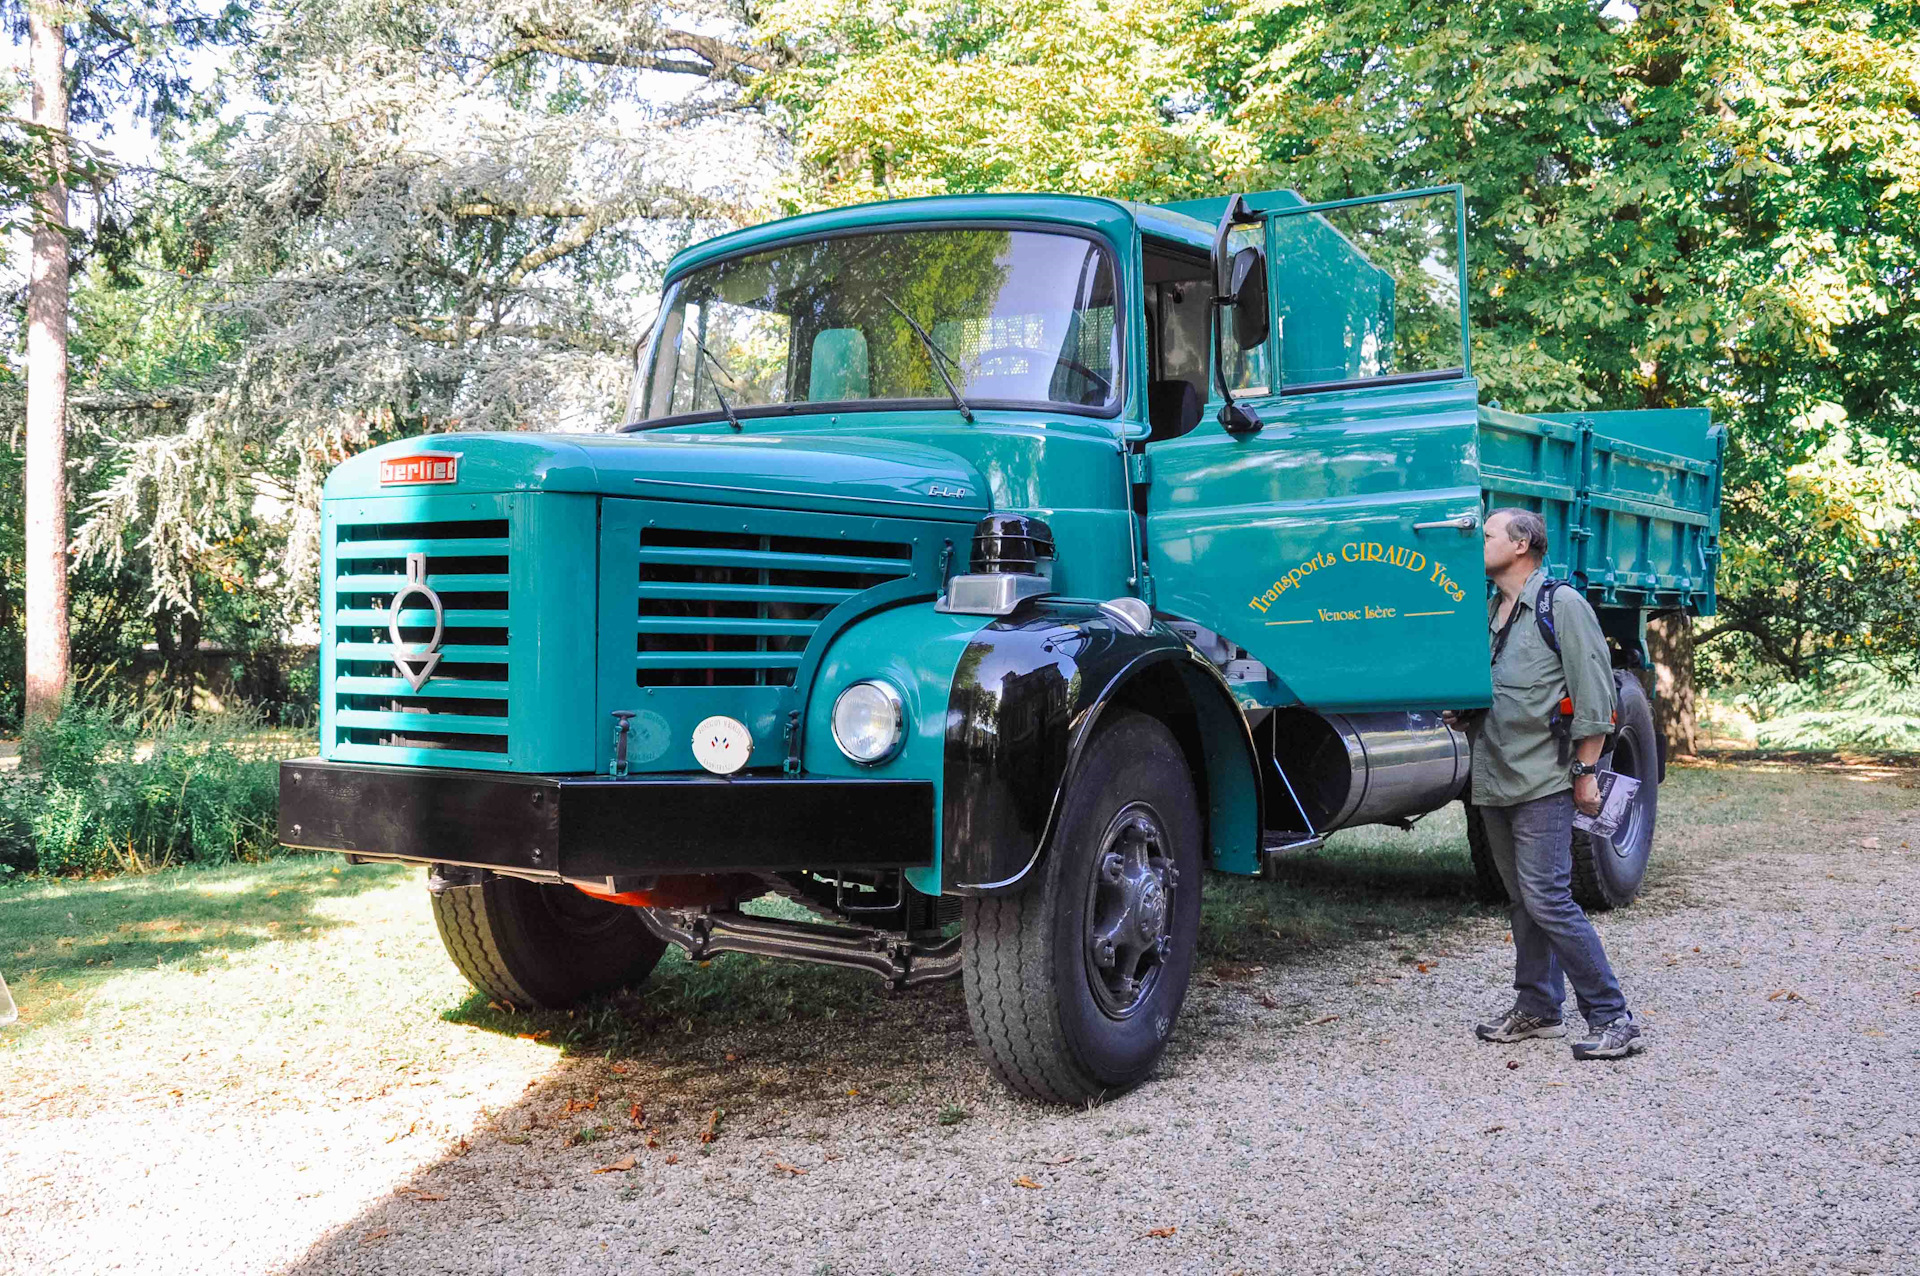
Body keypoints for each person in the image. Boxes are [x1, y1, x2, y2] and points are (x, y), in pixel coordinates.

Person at [1457, 508, 1644, 1060]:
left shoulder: (1560, 604)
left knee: (1548, 899)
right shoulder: (1494, 609)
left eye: (1487, 533)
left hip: (1544, 777)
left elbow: (1595, 697)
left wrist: (1586, 773)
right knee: (1522, 900)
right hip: (1495, 774)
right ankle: (1538, 1006)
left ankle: (1613, 1017)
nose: (1478, 539)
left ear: (1520, 545)